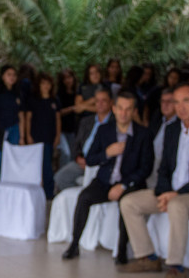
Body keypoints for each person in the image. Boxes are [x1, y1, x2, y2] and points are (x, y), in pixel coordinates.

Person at [119, 82, 189, 278]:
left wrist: (175, 194)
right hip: (172, 190)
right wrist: (163, 192)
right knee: (129, 202)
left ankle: (176, 269)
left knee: (177, 205)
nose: (181, 107)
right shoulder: (172, 130)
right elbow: (164, 170)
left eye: (186, 101)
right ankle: (148, 257)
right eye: (176, 102)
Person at [62, 90, 154, 260]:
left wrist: (124, 185)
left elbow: (146, 168)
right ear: (114, 108)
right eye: (120, 108)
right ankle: (74, 245)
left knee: (126, 202)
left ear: (134, 111)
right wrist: (107, 153)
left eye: (128, 109)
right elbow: (90, 159)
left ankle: (121, 251)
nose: (123, 113)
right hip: (105, 181)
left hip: (130, 183)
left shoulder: (143, 134)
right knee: (84, 197)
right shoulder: (105, 130)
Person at [53, 86, 113, 193]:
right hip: (82, 162)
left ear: (111, 102)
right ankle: (78, 202)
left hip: (101, 165)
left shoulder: (115, 123)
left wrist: (93, 160)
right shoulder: (86, 121)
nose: (100, 104)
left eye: (104, 101)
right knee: (60, 177)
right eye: (97, 101)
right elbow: (76, 144)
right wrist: (77, 158)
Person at [0, 65, 25, 184]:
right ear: (3, 77)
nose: (12, 77)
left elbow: (21, 117)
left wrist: (22, 137)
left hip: (15, 129)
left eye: (14, 75)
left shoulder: (18, 94)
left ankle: (10, 189)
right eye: (9, 74)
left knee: (13, 160)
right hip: (0, 130)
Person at [25, 72, 61, 198]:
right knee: (35, 166)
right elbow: (28, 119)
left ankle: (48, 193)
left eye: (48, 83)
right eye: (43, 83)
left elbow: (57, 119)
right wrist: (28, 135)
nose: (46, 86)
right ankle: (34, 193)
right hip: (35, 137)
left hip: (49, 138)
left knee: (47, 166)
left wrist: (57, 136)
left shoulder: (54, 100)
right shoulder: (33, 100)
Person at [57, 68, 79, 163]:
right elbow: (58, 112)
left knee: (73, 155)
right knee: (65, 153)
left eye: (69, 77)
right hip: (62, 129)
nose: (68, 80)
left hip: (74, 129)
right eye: (65, 78)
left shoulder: (78, 93)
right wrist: (72, 108)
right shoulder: (59, 95)